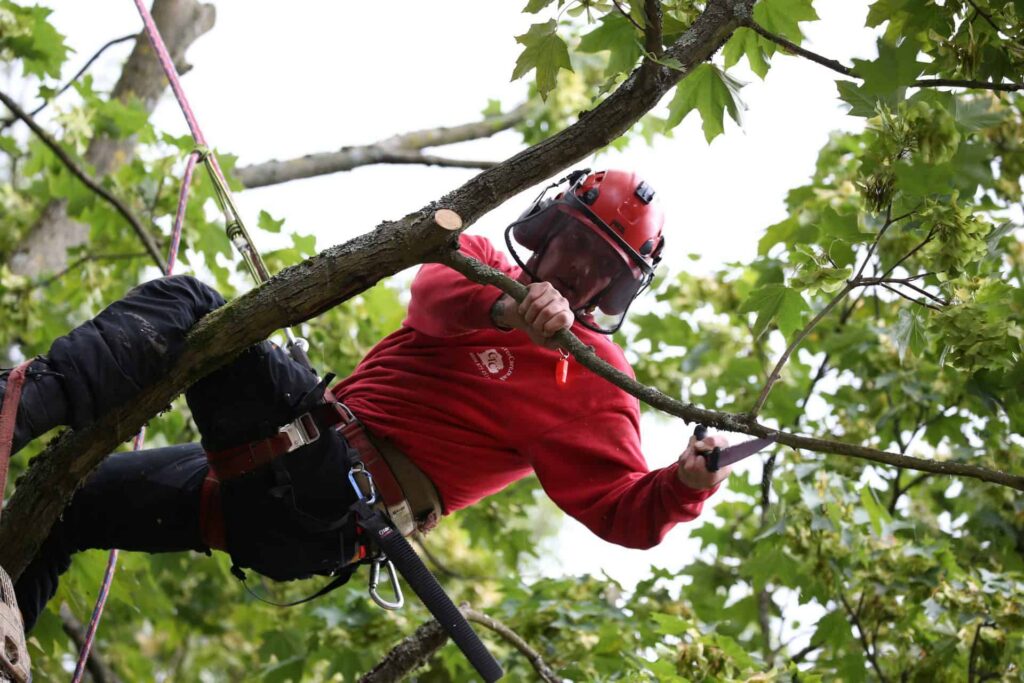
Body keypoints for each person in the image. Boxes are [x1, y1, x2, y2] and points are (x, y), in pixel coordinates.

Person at [1, 168, 731, 633]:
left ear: (617, 287)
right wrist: (510, 311)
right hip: (285, 466)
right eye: (573, 244)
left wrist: (686, 484)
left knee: (193, 302)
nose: (577, 270)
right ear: (547, 229)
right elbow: (432, 300)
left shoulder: (593, 379)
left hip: (329, 503)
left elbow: (623, 510)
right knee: (62, 506)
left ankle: (9, 412)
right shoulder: (475, 265)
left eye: (601, 266)